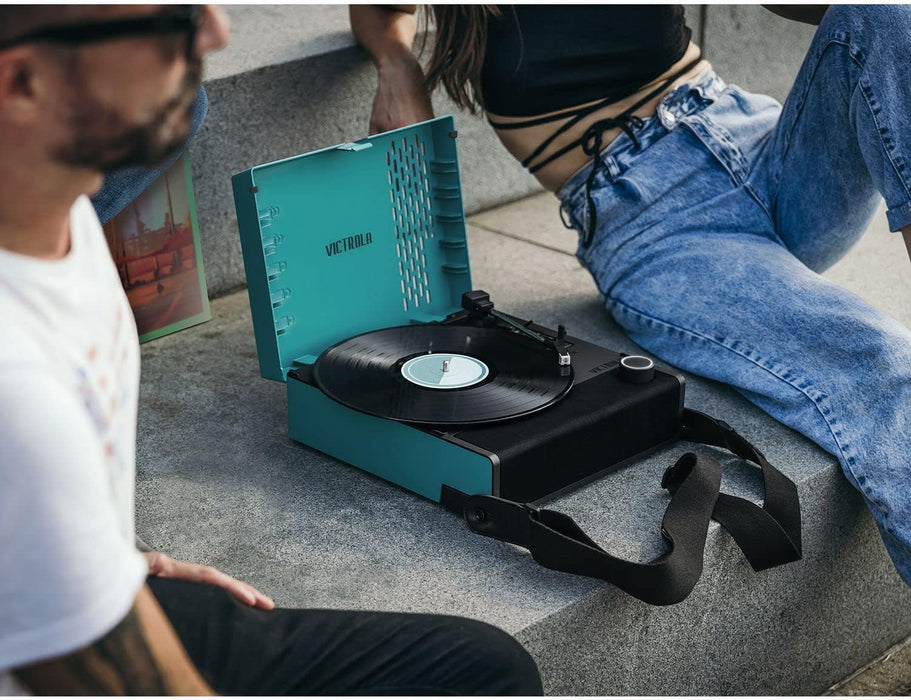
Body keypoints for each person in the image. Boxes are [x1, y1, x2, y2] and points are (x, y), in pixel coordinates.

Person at [0, 5, 542, 695]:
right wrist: (80, 589)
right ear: (22, 84)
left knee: (485, 666)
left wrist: (100, 560)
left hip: (92, 591)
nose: (217, 33)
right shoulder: (15, 388)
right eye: (170, 20)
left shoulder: (49, 193)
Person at [350, 5, 911, 585]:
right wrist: (398, 68)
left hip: (762, 144)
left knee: (883, 11)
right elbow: (375, 9)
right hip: (657, 226)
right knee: (881, 365)